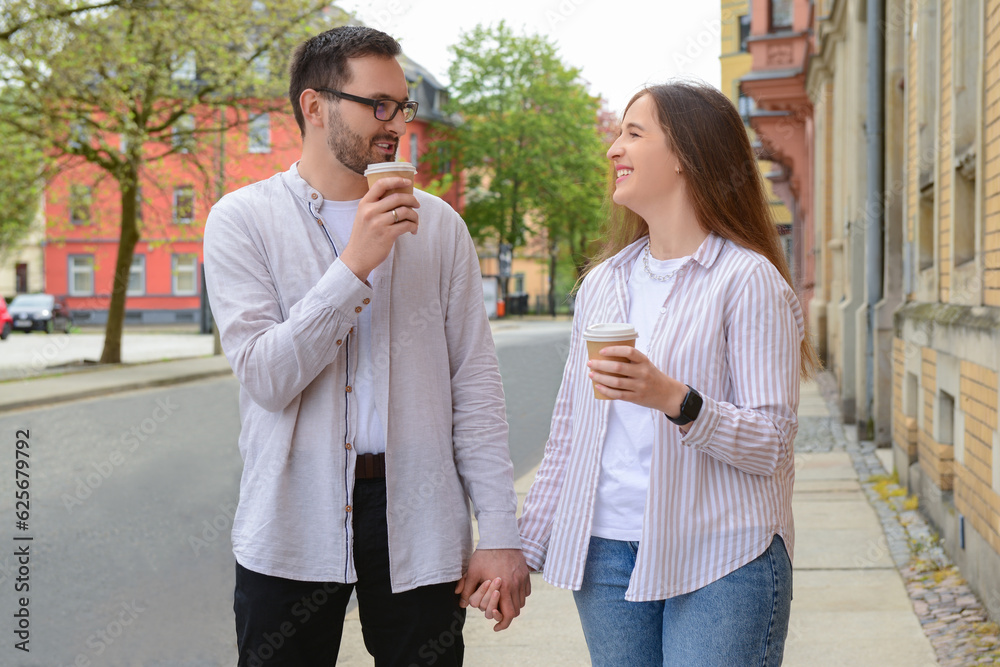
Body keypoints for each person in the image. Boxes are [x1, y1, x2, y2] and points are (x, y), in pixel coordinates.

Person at [203, 25, 529, 666]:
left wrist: (500, 533)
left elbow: (476, 388)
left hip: (419, 509)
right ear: (314, 106)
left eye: (401, 106)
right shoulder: (242, 220)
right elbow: (266, 378)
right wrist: (354, 266)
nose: (395, 123)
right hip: (292, 514)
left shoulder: (439, 226)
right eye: (377, 105)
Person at [508, 81, 817, 665]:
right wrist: (520, 551)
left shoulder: (747, 281)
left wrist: (675, 399)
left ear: (685, 155)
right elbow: (569, 434)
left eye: (633, 133)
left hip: (723, 553)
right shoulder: (602, 284)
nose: (612, 150)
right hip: (606, 557)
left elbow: (772, 445)